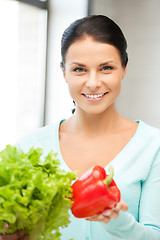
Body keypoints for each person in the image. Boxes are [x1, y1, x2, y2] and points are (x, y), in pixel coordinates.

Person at [1, 15, 160, 240]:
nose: (93, 82)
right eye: (79, 69)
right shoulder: (30, 147)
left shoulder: (153, 146)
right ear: (64, 72)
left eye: (106, 68)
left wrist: (116, 220)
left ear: (124, 69)